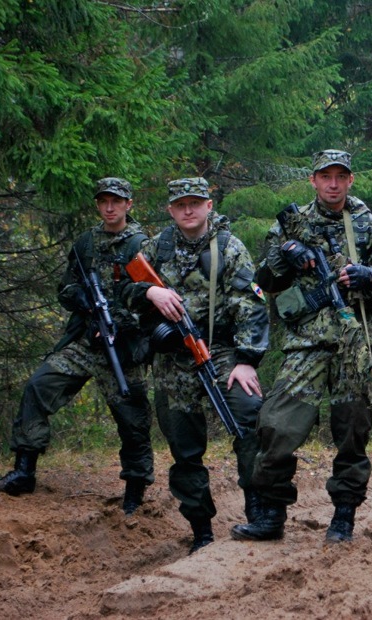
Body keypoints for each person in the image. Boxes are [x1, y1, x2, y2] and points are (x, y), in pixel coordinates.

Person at [231, 149, 372, 544]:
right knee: (275, 425)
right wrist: (290, 255)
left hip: (353, 345)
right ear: (313, 180)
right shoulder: (294, 224)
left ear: (350, 180)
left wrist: (367, 276)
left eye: (340, 176)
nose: (333, 183)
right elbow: (263, 282)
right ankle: (271, 515)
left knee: (352, 432)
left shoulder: (369, 226)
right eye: (325, 176)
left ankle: (343, 518)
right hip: (304, 344)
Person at [0, 177, 154, 516]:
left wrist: (123, 325)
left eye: (116, 201)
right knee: (39, 385)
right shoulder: (86, 243)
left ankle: (135, 493)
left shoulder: (141, 246)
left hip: (122, 349)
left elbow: (153, 301)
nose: (109, 207)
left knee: (133, 417)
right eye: (104, 201)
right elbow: (66, 288)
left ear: (128, 205)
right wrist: (78, 298)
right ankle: (23, 471)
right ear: (98, 204)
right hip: (85, 342)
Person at [121, 177, 269, 553]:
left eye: (195, 202)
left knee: (247, 417)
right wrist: (149, 291)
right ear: (171, 210)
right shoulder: (156, 247)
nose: (188, 210)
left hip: (218, 351)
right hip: (173, 358)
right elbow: (124, 292)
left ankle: (257, 506)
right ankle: (201, 528)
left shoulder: (229, 248)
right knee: (184, 448)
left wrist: (248, 360)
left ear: (208, 205)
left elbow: (252, 305)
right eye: (180, 204)